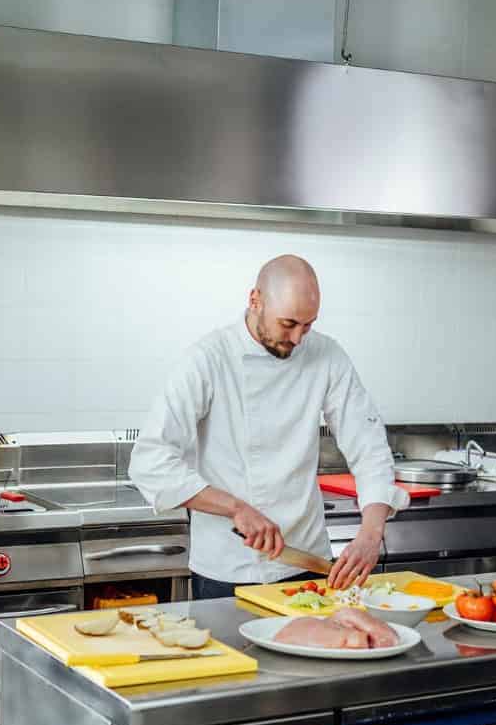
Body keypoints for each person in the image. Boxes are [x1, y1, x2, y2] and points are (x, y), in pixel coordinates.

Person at [129, 254, 406, 600]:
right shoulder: (208, 360)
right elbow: (150, 463)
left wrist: (370, 533)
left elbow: (369, 447)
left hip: (308, 561)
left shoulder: (327, 355)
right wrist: (236, 508)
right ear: (255, 300)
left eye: (308, 325)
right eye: (288, 323)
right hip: (228, 570)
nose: (298, 338)